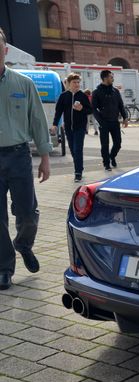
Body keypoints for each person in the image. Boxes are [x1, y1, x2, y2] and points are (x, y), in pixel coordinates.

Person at [0, 27, 51, 290]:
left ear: (5, 50)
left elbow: (37, 121)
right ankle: (4, 268)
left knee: (28, 213)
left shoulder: (23, 84)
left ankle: (23, 243)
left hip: (19, 155)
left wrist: (45, 156)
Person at [51, 73, 92, 182]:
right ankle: (79, 166)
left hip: (80, 128)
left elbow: (90, 110)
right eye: (74, 82)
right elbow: (58, 111)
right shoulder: (64, 96)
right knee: (73, 150)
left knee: (78, 149)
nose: (77, 84)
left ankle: (78, 173)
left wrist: (82, 109)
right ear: (69, 84)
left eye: (78, 82)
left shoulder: (83, 96)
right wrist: (55, 124)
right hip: (68, 128)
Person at [92, 69, 128, 171]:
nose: (113, 79)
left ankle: (112, 156)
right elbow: (94, 109)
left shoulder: (115, 91)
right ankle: (106, 163)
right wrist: (100, 121)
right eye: (111, 77)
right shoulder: (97, 92)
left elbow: (121, 105)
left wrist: (125, 117)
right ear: (105, 78)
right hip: (104, 122)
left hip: (115, 121)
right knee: (105, 144)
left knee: (118, 143)